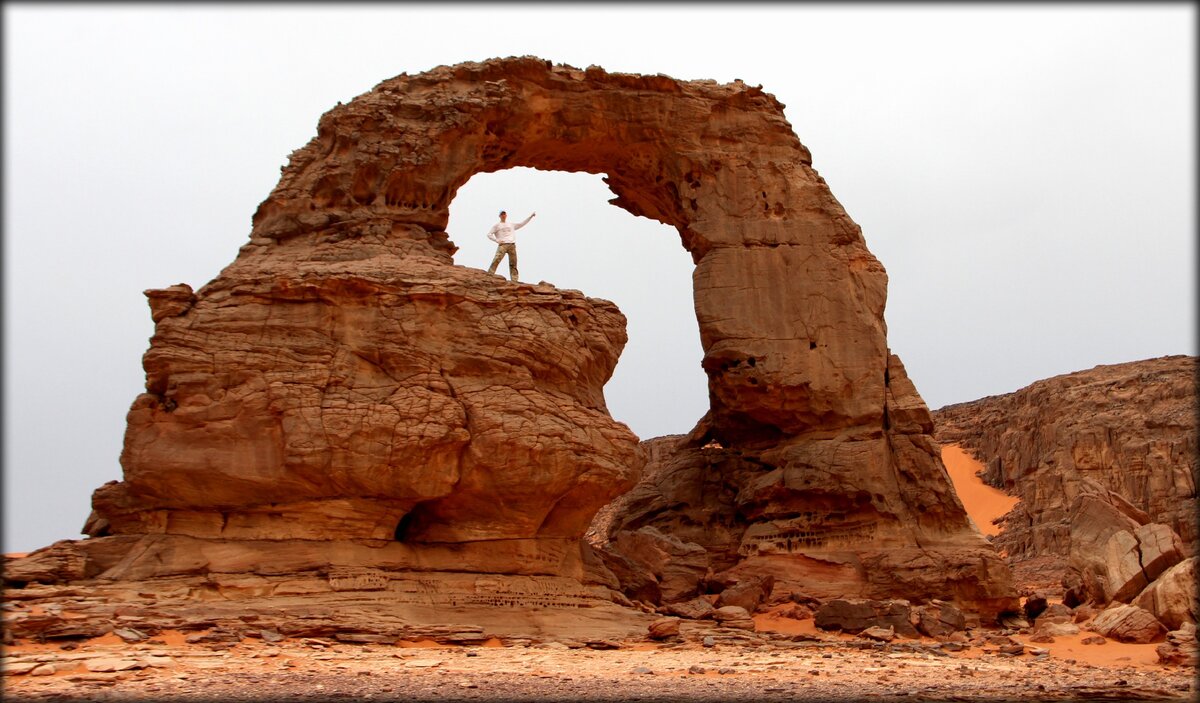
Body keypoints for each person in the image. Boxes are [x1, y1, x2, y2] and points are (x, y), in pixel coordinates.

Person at [486, 210, 535, 282]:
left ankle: (514, 280)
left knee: (513, 263)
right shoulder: (497, 225)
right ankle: (490, 274)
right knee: (497, 259)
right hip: (503, 245)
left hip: (512, 245)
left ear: (506, 215)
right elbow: (489, 234)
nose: (503, 215)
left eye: (504, 214)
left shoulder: (511, 224)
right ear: (499, 216)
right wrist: (497, 240)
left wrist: (530, 217)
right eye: (502, 214)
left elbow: (521, 224)